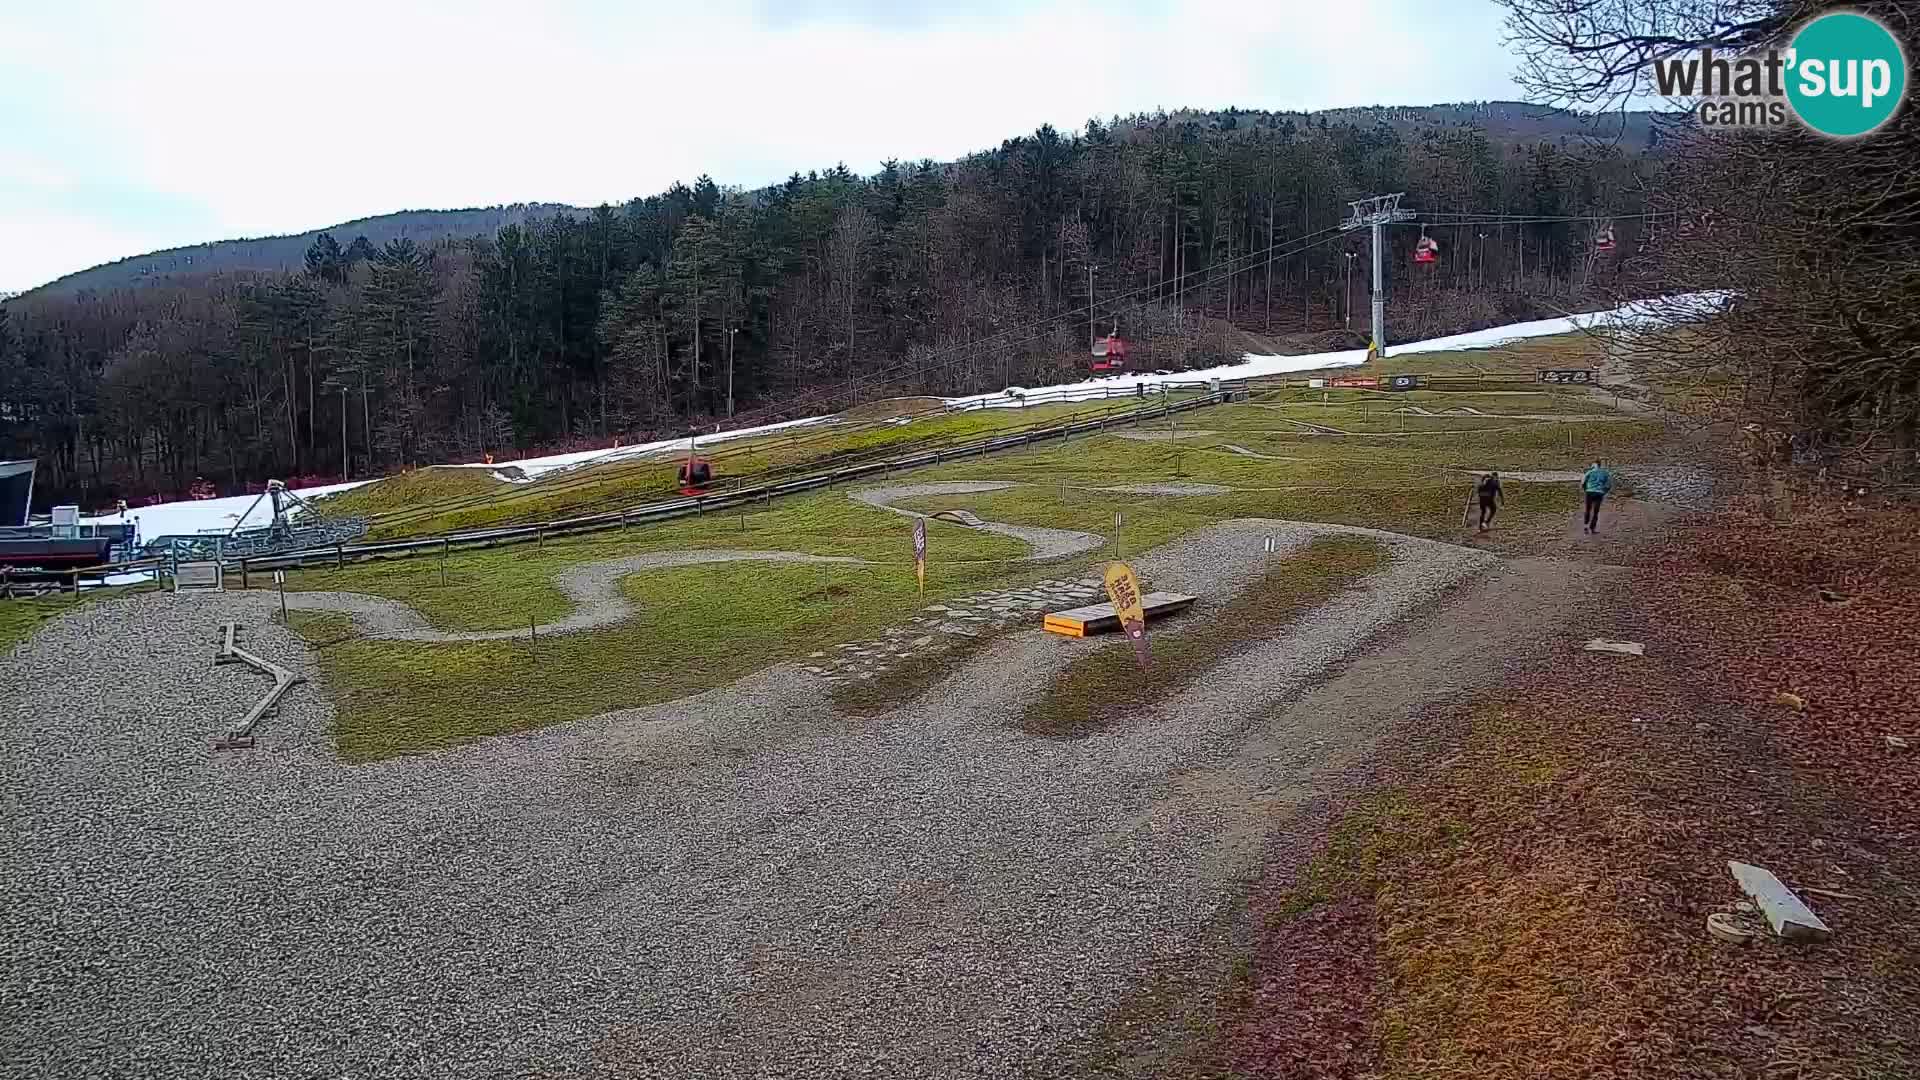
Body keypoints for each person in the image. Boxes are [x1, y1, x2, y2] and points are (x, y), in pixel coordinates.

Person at [1582, 459, 1613, 533]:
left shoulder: (1589, 472)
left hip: (1589, 491)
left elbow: (1583, 482)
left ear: (1594, 464)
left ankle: (1586, 526)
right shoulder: (1605, 473)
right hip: (1599, 492)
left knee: (1588, 509)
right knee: (1596, 511)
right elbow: (1609, 485)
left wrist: (1585, 489)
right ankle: (1593, 528)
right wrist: (1604, 491)